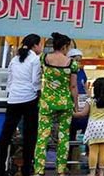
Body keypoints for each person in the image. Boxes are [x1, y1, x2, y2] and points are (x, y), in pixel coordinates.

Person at [0, 34, 43, 176]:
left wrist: (12, 92)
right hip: (29, 99)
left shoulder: (14, 59)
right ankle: (26, 168)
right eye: (40, 44)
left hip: (13, 99)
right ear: (35, 45)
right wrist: (38, 93)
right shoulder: (35, 59)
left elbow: (9, 80)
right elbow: (35, 81)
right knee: (29, 136)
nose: (41, 47)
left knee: (6, 134)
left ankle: (0, 167)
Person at [34, 33, 79, 176]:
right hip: (65, 103)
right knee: (63, 137)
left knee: (42, 136)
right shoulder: (72, 63)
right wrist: (76, 104)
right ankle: (60, 170)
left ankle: (39, 170)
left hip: (47, 102)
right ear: (65, 46)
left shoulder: (44, 58)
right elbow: (73, 87)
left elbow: (39, 77)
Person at [74, 78, 104, 176]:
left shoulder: (90, 101)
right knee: (103, 151)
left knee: (93, 151)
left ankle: (92, 173)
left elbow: (83, 114)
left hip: (93, 128)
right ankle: (101, 172)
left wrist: (73, 114)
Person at [68, 48, 89, 143]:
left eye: (79, 61)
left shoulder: (81, 71)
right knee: (71, 127)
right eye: (76, 60)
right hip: (71, 101)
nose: (78, 63)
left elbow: (85, 87)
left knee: (84, 124)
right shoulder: (67, 71)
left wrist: (88, 99)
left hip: (82, 102)